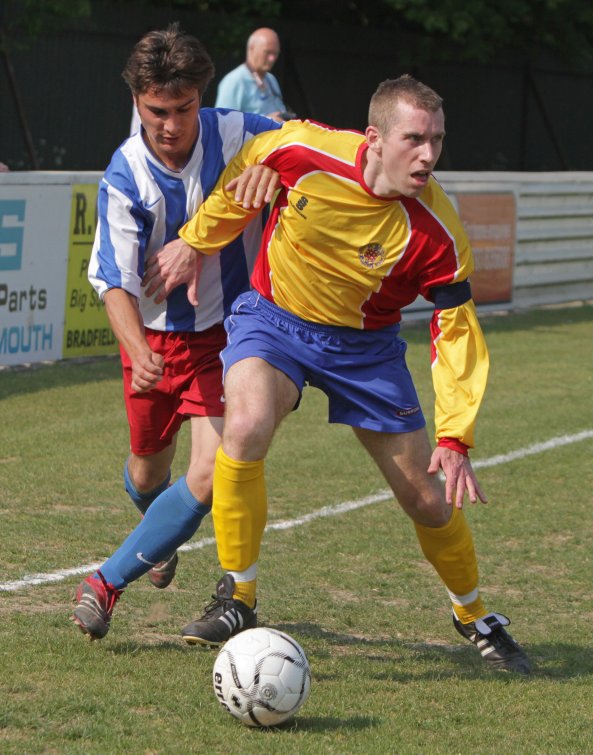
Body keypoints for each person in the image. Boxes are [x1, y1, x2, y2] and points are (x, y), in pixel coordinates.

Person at [154, 74, 531, 673]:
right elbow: (238, 158)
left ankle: (474, 613)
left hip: (366, 351)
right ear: (375, 138)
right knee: (245, 426)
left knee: (428, 499)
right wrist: (197, 241)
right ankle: (239, 596)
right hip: (275, 321)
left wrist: (456, 435)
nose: (429, 155)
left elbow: (455, 331)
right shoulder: (302, 148)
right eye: (415, 139)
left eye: (437, 140)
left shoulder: (439, 232)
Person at [70, 23, 281, 640]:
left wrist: (275, 168)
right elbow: (114, 281)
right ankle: (159, 539)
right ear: (137, 101)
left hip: (229, 337)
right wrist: (138, 352)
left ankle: (104, 583)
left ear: (202, 97)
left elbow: (311, 146)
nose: (170, 124)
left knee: (211, 472)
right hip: (155, 342)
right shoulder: (124, 175)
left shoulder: (240, 132)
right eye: (157, 110)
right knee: (144, 474)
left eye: (183, 109)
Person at [215, 28, 294, 123]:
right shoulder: (234, 81)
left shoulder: (271, 79)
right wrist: (265, 121)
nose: (272, 58)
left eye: (275, 53)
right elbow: (223, 123)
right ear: (251, 48)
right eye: (267, 52)